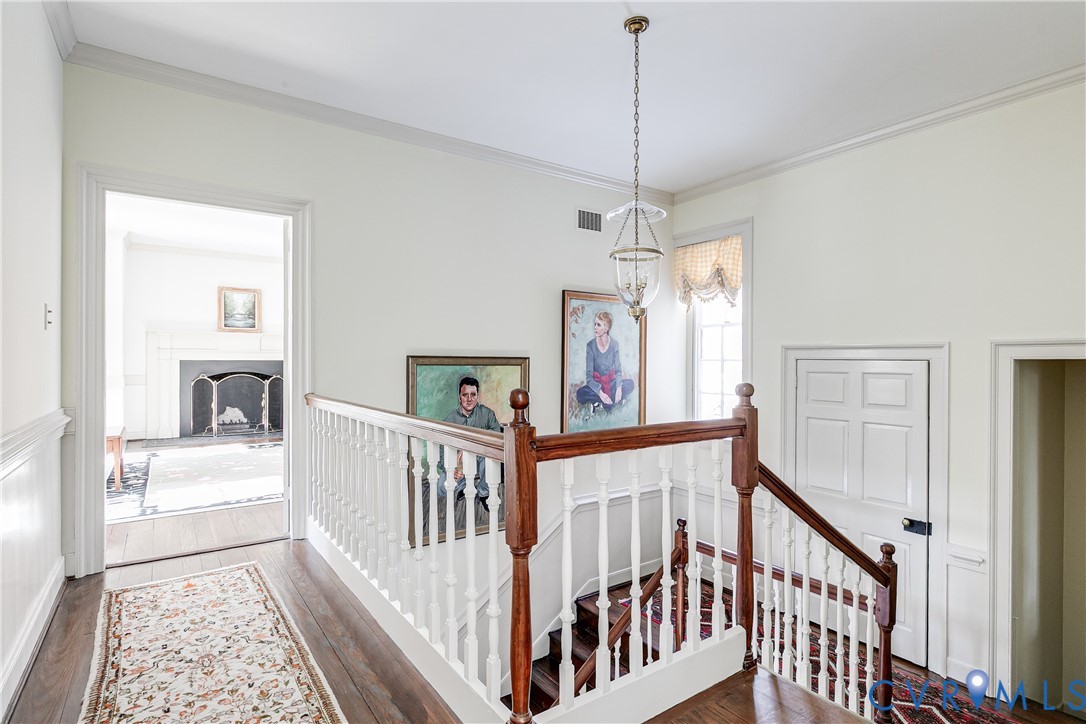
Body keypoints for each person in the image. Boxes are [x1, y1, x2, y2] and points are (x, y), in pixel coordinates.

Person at [436, 376, 501, 501]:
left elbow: (497, 436)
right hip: (459, 465)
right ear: (459, 398)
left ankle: (484, 493)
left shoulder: (488, 414)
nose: (469, 399)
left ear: (478, 396)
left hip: (480, 460)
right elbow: (441, 450)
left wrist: (469, 448)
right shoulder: (449, 420)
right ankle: (463, 488)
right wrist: (450, 469)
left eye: (473, 395)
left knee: (487, 456)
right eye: (465, 395)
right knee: (441, 486)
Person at [575, 311, 635, 413]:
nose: (595, 327)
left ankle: (603, 402)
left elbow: (618, 370)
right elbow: (589, 377)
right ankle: (605, 401)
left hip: (611, 384)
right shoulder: (590, 346)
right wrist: (600, 393)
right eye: (595, 324)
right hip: (597, 386)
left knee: (630, 384)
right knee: (580, 393)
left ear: (606, 328)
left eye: (598, 325)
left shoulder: (614, 344)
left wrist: (619, 389)